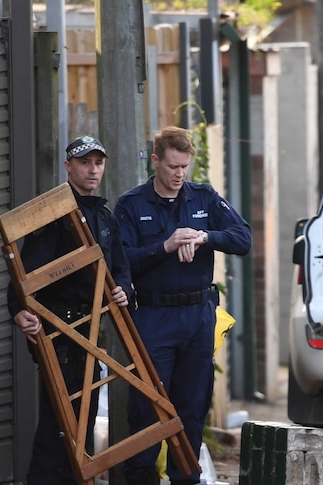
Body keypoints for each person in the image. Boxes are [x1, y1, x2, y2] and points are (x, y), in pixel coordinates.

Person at [114, 126, 252, 485]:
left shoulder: (203, 197)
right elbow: (121, 260)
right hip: (154, 315)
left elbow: (242, 238)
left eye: (184, 167)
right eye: (173, 166)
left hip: (197, 315)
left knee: (192, 405)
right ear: (155, 160)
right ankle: (141, 478)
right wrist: (166, 245)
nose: (179, 174)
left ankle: (186, 478)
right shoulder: (132, 204)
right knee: (147, 405)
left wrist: (204, 237)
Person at [8, 135, 133, 484]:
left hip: (91, 331)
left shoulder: (105, 217)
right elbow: (24, 270)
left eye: (98, 163)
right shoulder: (53, 215)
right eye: (84, 163)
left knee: (85, 419)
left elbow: (120, 268)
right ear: (68, 166)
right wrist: (17, 310)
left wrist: (124, 290)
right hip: (58, 332)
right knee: (60, 424)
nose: (93, 170)